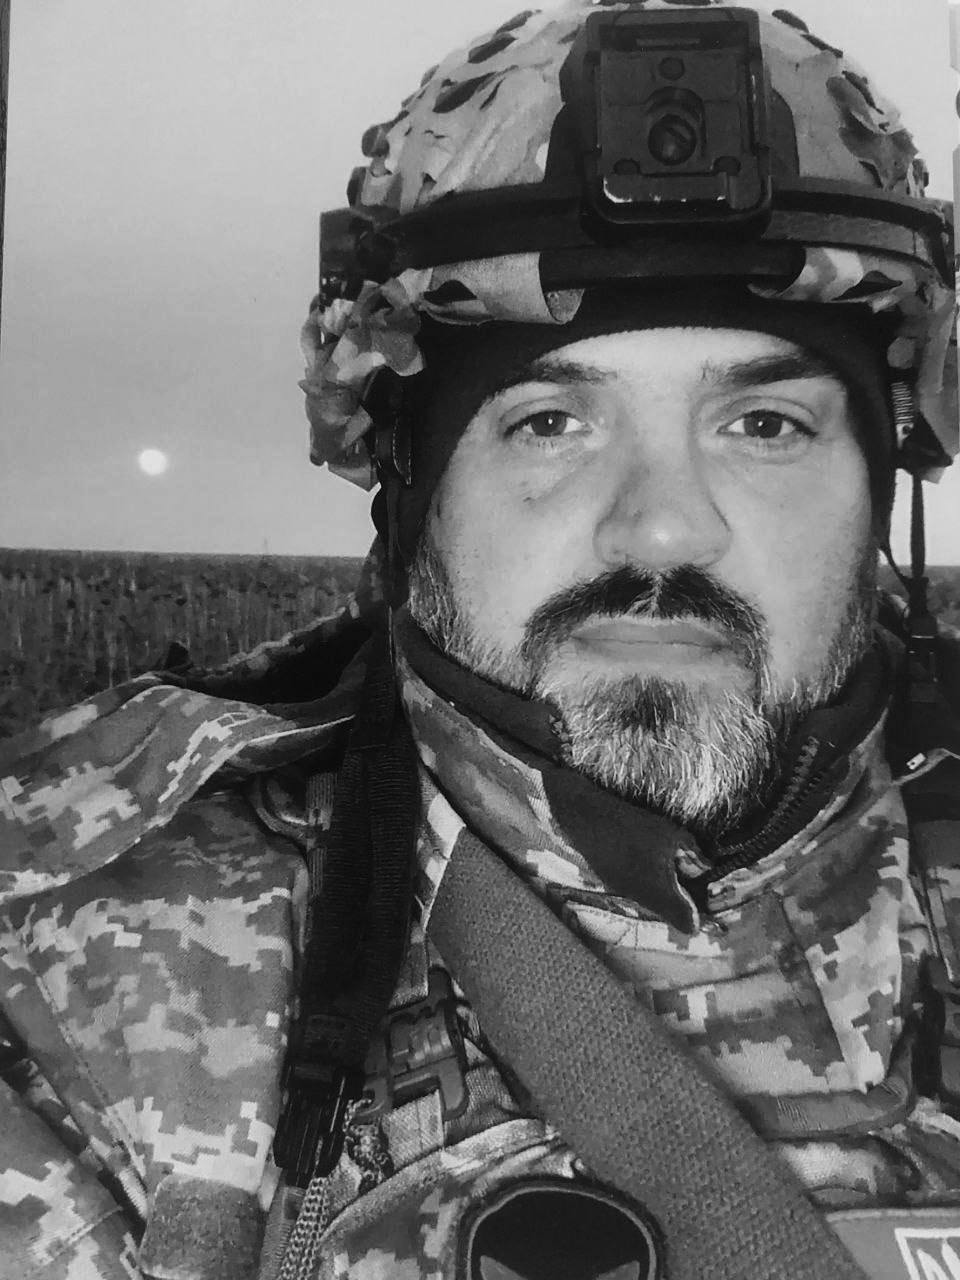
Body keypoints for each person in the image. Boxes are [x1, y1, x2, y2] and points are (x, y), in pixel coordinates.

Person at [0, 2, 958, 1277]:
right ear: (412, 491)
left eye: (765, 425)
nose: (663, 527)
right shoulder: (77, 978)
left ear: (881, 486)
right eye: (549, 422)